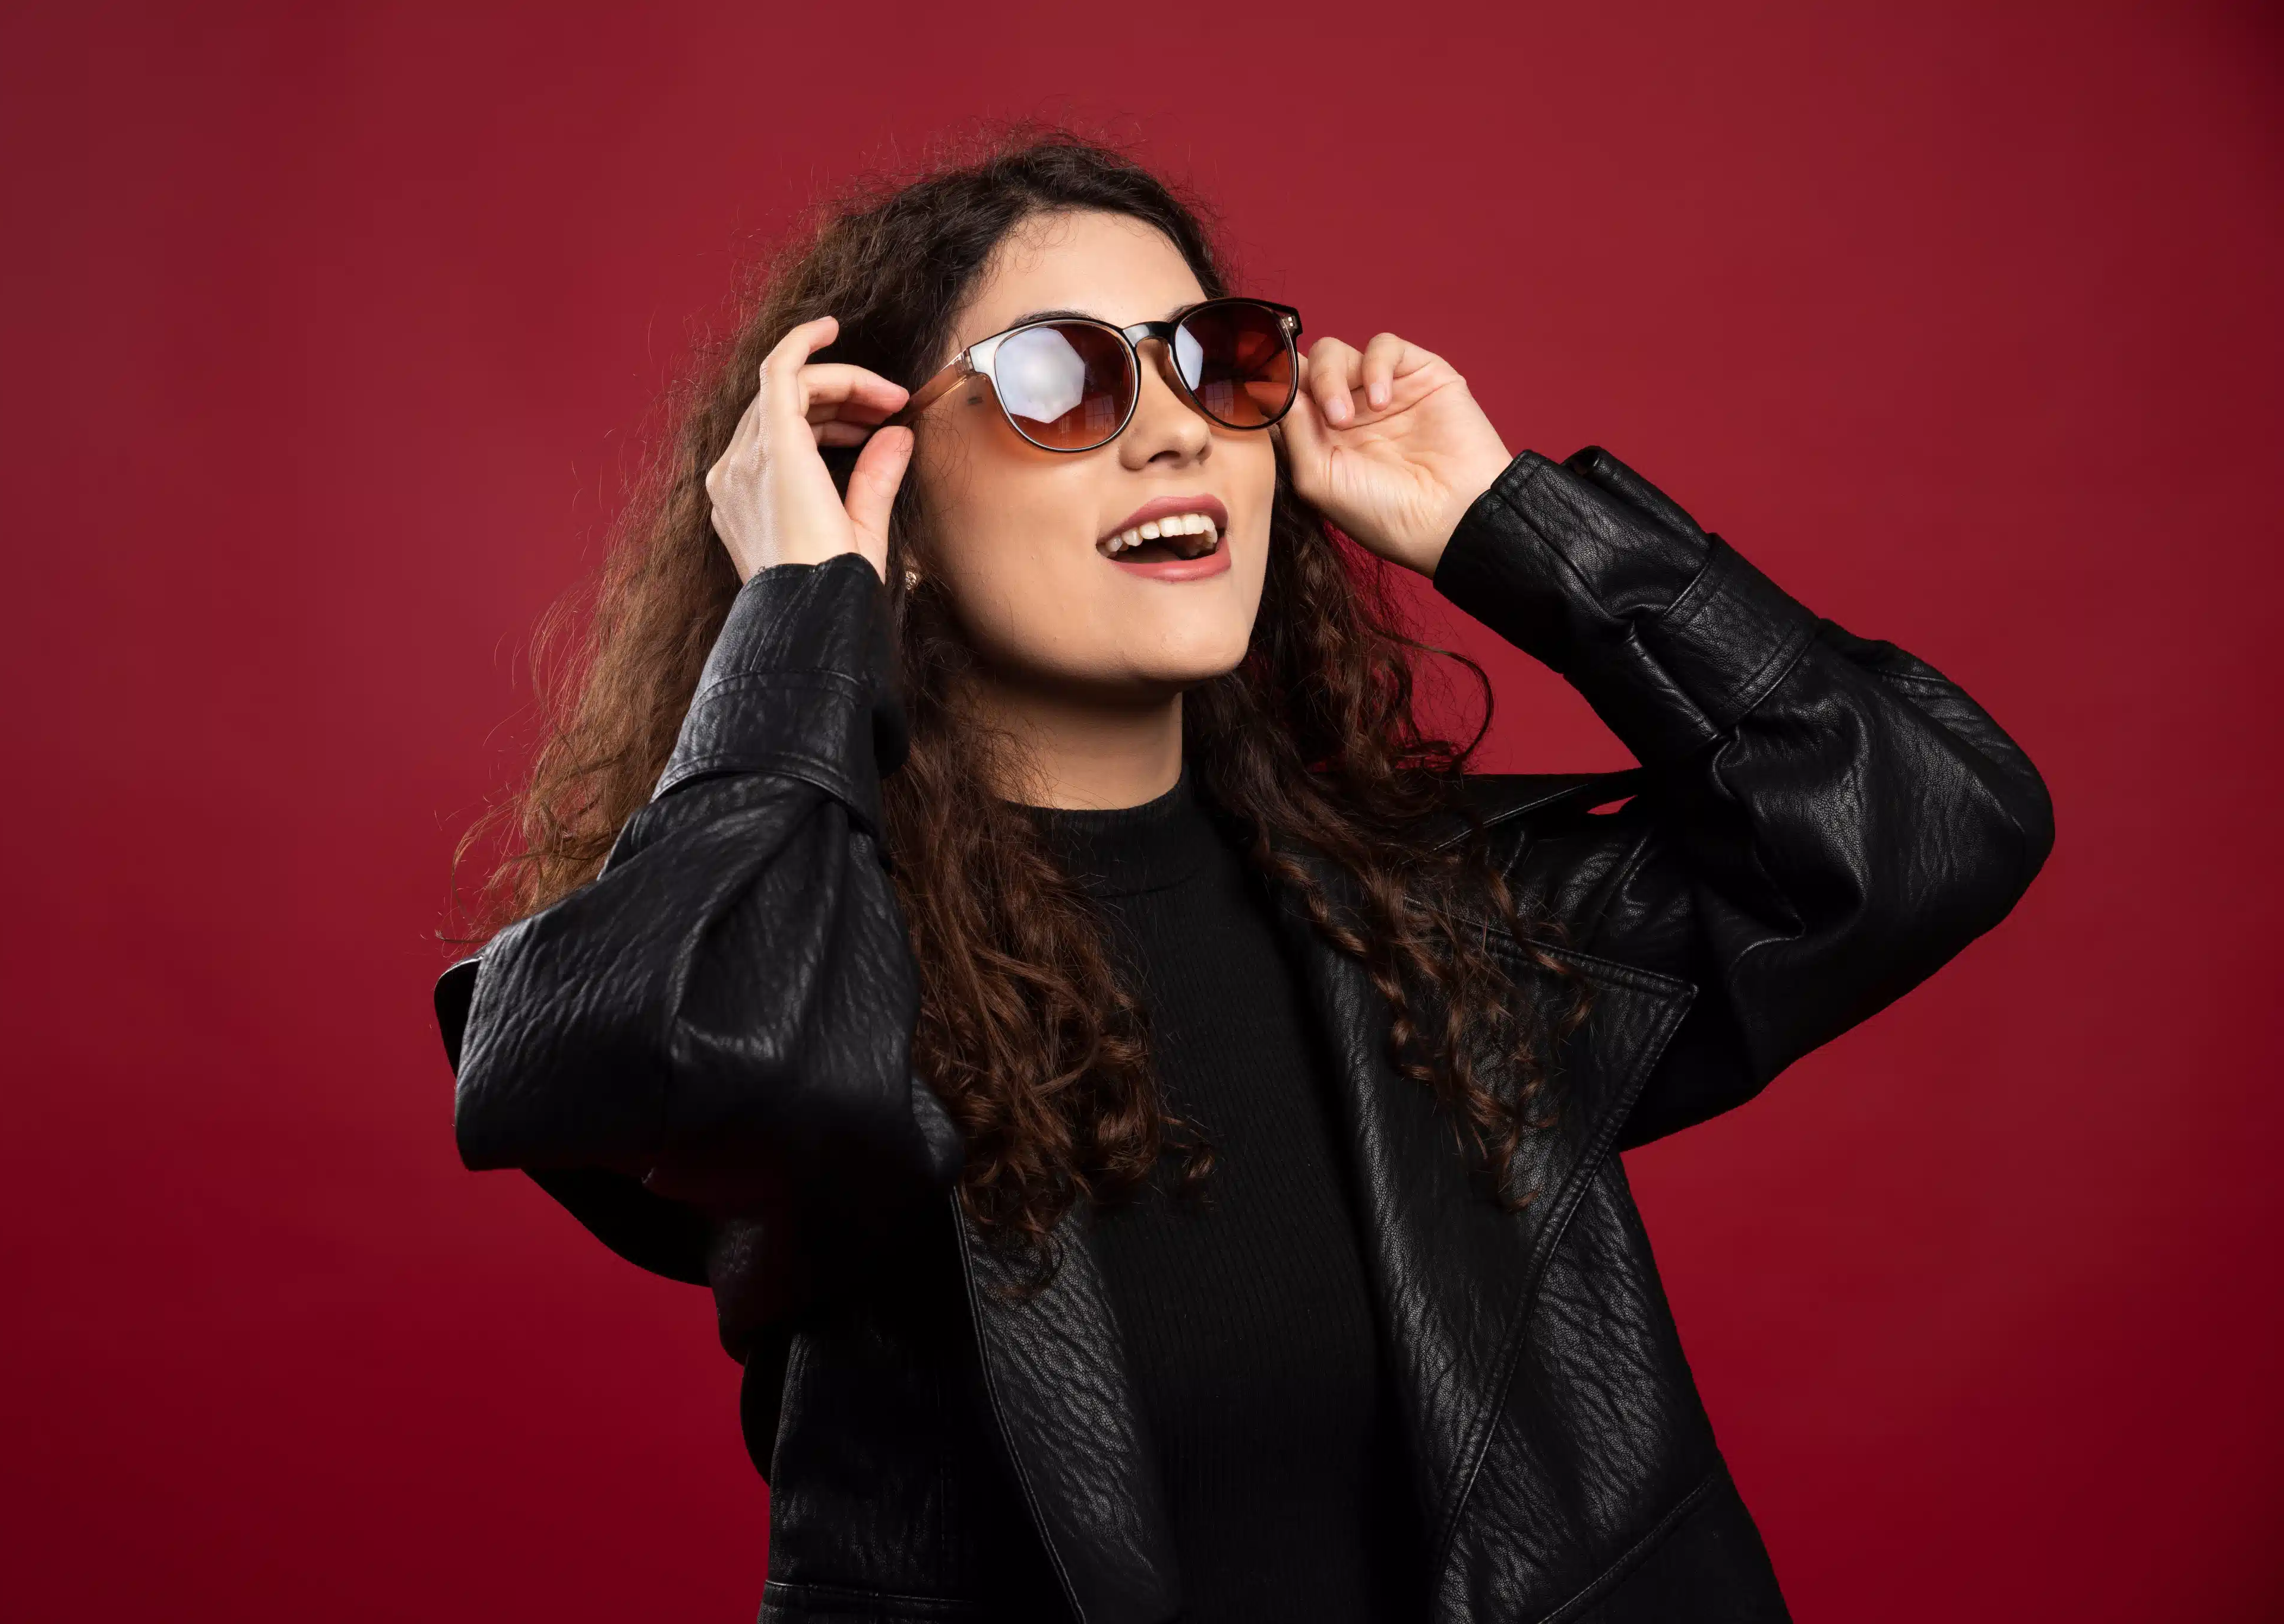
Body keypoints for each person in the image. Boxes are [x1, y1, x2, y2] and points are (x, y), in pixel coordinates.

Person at [434, 132, 2052, 1624]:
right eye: (1059, 377)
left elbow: (1927, 820)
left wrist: (1511, 522)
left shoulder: (1433, 934)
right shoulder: (826, 967)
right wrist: (797, 608)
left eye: (1216, 362)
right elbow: (668, 1038)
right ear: (889, 501)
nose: (1172, 428)